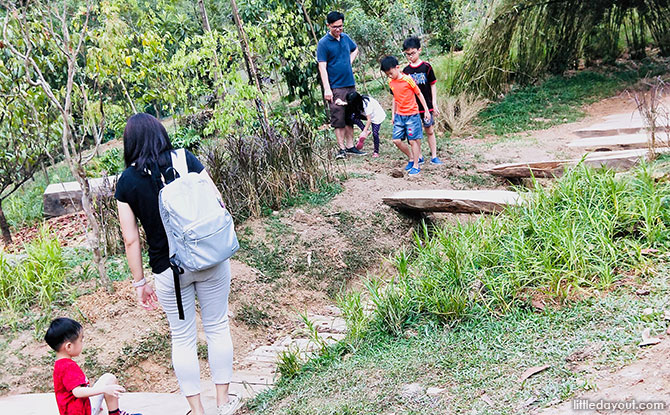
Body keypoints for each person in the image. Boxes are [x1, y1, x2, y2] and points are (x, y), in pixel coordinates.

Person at [115, 113, 239, 415]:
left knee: (182, 337)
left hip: (168, 268)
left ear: (129, 143)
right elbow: (217, 200)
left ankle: (197, 411)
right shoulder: (185, 159)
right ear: (160, 133)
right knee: (217, 326)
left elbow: (131, 240)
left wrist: (140, 283)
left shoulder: (127, 181)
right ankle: (223, 404)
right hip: (209, 257)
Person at [45, 317, 141, 415]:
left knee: (106, 381)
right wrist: (104, 390)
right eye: (80, 340)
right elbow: (77, 392)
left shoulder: (59, 364)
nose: (82, 343)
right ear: (69, 346)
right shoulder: (68, 366)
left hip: (72, 411)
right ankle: (115, 413)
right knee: (109, 379)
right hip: (83, 412)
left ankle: (97, 407)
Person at [316, 11, 365, 159]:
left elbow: (355, 49)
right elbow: (322, 67)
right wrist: (327, 89)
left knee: (350, 115)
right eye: (335, 27)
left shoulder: (345, 38)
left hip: (350, 84)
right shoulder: (323, 43)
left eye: (341, 26)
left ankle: (351, 146)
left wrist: (348, 62)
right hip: (335, 86)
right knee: (338, 117)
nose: (338, 29)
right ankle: (341, 148)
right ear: (328, 26)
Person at [380, 55, 432, 176]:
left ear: (397, 68)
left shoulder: (408, 80)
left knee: (413, 140)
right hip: (399, 115)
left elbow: (419, 94)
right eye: (387, 74)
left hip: (412, 115)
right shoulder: (391, 82)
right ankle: (412, 157)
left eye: (391, 73)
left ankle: (416, 165)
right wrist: (393, 114)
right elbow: (395, 98)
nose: (389, 76)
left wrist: (426, 111)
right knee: (396, 140)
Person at [402, 36, 444, 165]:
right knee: (415, 134)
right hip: (412, 108)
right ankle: (418, 156)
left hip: (427, 106)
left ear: (419, 50)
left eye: (413, 53)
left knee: (429, 130)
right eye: (407, 54)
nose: (410, 56)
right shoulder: (405, 71)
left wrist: (434, 103)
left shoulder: (426, 67)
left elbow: (432, 85)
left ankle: (434, 156)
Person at [337, 91, 386, 157]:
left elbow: (369, 120)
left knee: (375, 133)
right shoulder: (357, 103)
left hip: (377, 116)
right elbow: (350, 104)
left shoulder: (367, 104)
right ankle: (366, 131)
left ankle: (376, 152)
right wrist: (343, 103)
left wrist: (364, 131)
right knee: (352, 117)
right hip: (365, 114)